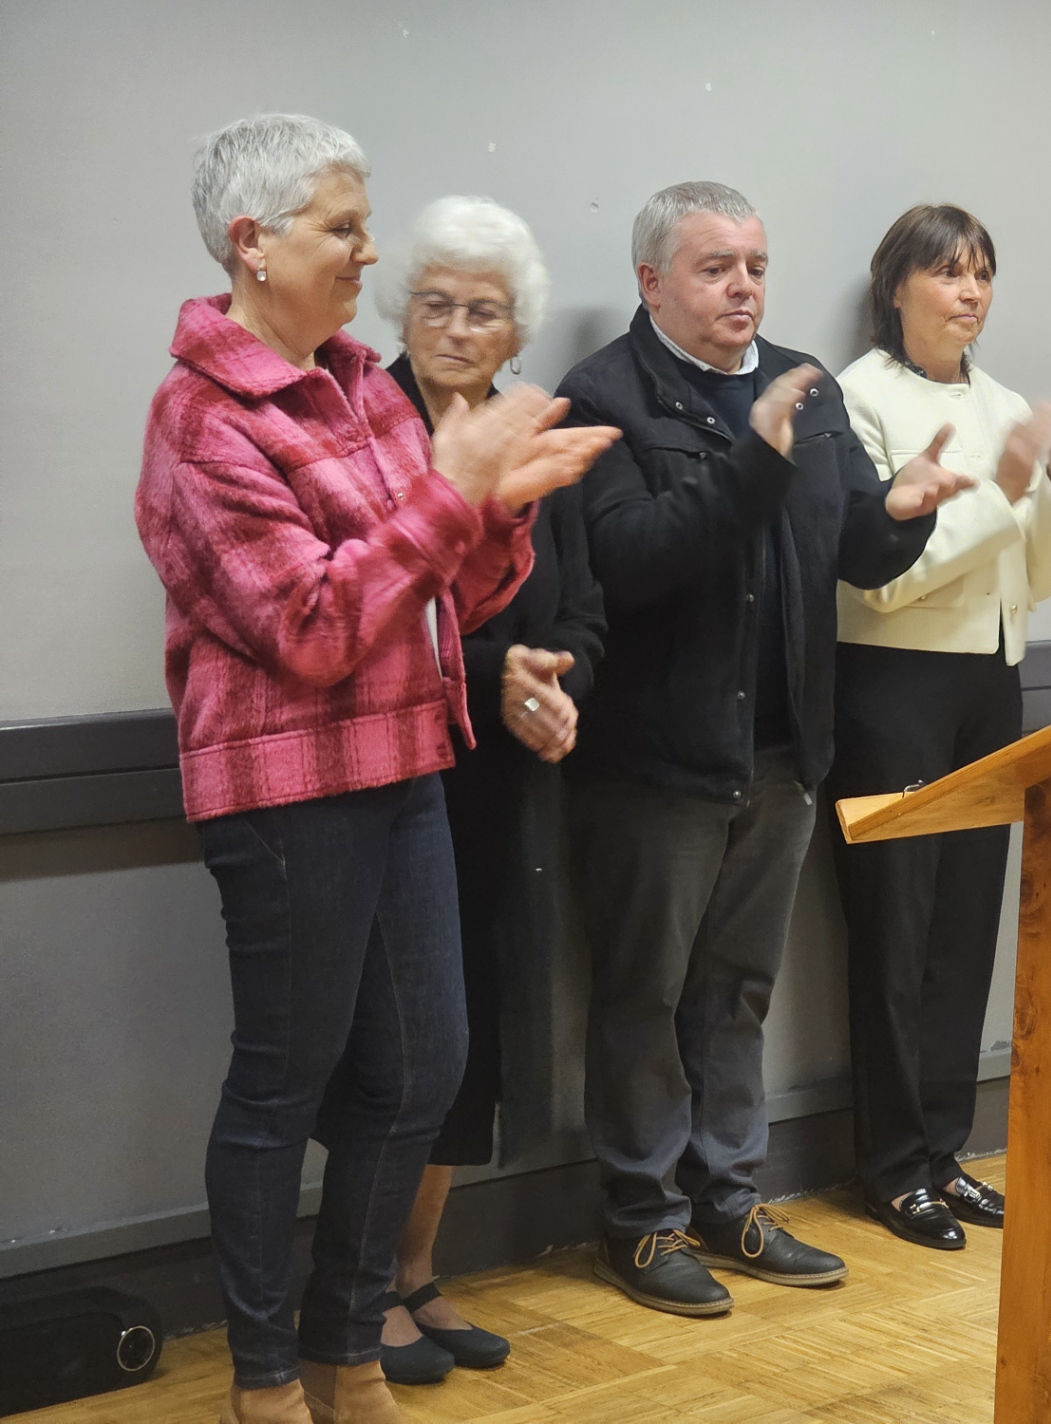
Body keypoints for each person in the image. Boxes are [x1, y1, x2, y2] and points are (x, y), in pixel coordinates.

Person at [136, 114, 616, 1424]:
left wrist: (498, 502)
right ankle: (262, 1375)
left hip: (403, 764)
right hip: (286, 793)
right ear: (253, 242)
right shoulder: (200, 416)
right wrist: (450, 496)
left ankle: (350, 1348)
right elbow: (312, 626)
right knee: (285, 1083)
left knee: (422, 1069)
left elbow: (444, 596)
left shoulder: (356, 381)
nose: (366, 253)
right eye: (341, 228)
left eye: (362, 223)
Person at [556, 182, 973, 1319]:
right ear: (651, 281)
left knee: (735, 992)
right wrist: (754, 460)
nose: (744, 287)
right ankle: (643, 1222)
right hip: (655, 765)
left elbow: (851, 553)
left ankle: (729, 1195)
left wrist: (907, 510)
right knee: (643, 995)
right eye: (715, 267)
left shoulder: (804, 385)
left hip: (785, 752)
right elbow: (632, 561)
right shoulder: (599, 398)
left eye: (756, 265)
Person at [828, 205, 1051, 1250]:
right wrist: (1006, 490)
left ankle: (943, 1152)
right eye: (947, 272)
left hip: (989, 683)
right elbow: (885, 580)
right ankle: (891, 1165)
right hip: (890, 684)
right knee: (894, 931)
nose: (970, 291)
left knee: (961, 931)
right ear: (896, 286)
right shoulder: (858, 400)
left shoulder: (1000, 405)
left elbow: (1030, 577)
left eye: (983, 272)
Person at [368, 198, 607, 1385]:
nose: (457, 328)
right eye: (435, 304)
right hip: (388, 779)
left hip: (498, 783)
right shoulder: (366, 427)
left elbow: (575, 606)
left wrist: (557, 679)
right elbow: (373, 617)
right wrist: (490, 671)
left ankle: (416, 1272)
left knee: (469, 1041)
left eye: (483, 309)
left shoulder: (530, 434)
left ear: (516, 327)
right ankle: (360, 1290)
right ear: (396, 311)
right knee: (397, 1045)